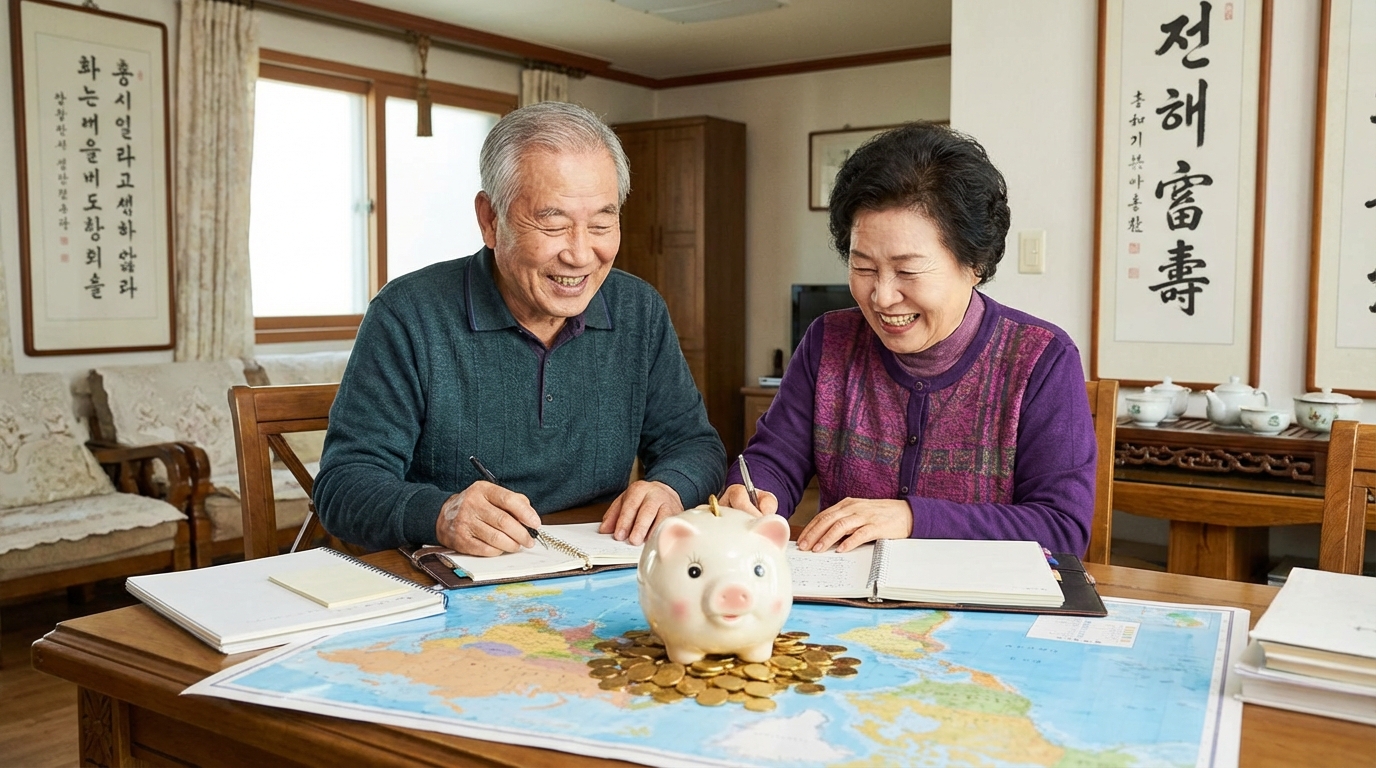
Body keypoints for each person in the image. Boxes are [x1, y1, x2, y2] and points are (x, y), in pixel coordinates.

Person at [315, 101, 726, 555]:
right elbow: (342, 487)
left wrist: (669, 486)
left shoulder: (638, 309)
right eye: (553, 224)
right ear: (490, 220)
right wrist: (440, 514)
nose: (580, 255)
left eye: (601, 224)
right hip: (453, 572)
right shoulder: (408, 313)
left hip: (598, 564)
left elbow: (694, 445)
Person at [721, 122, 1096, 555]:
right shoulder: (829, 341)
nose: (882, 296)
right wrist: (754, 493)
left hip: (975, 596)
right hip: (847, 590)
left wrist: (912, 518)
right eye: (863, 268)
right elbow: (774, 459)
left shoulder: (1040, 359)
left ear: (975, 263)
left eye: (908, 270)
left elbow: (1061, 528)